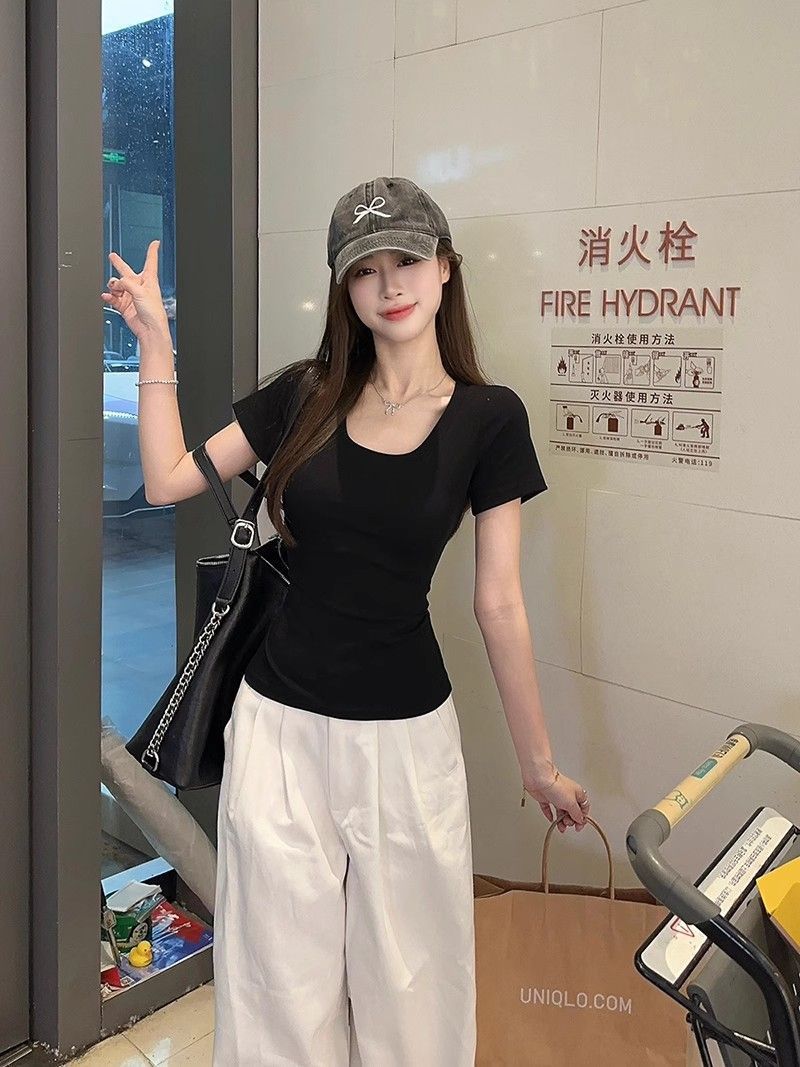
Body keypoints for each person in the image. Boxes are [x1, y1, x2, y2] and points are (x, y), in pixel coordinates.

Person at [101, 175, 591, 1067]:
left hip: (406, 740)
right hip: (277, 729)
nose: (389, 283)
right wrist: (155, 345)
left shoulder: (489, 418)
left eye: (407, 260)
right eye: (366, 269)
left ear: (445, 269)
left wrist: (540, 766)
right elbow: (170, 478)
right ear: (344, 287)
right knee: (276, 979)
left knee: (413, 984)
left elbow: (499, 602)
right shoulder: (306, 394)